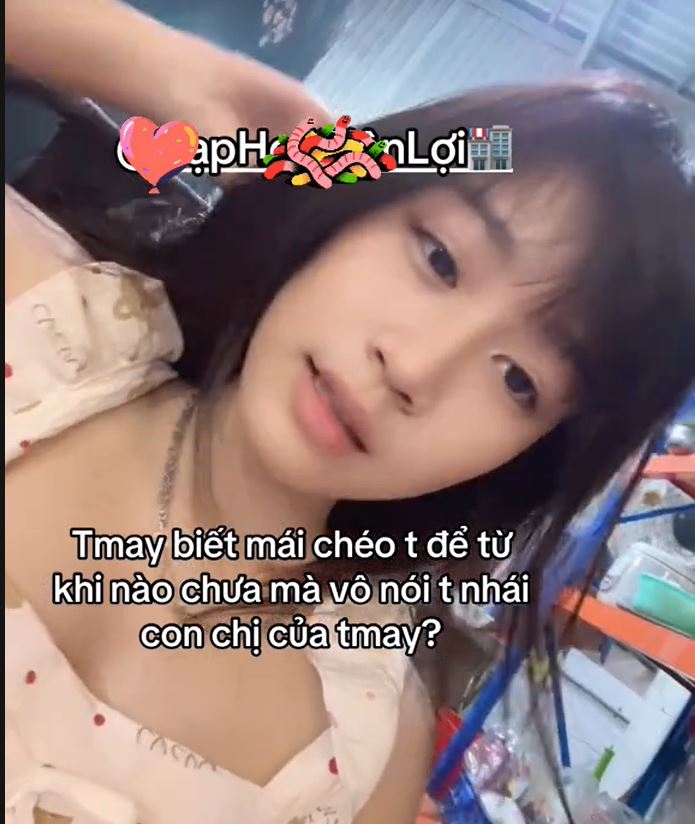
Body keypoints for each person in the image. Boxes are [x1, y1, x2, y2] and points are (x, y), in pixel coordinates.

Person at [5, 2, 695, 824]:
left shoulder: (363, 761)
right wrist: (170, 69)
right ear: (352, 205)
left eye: (518, 382)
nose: (413, 367)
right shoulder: (40, 322)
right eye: (438, 258)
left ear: (528, 455)